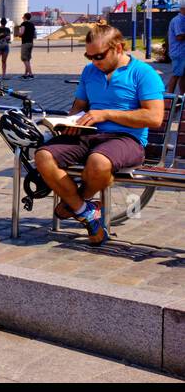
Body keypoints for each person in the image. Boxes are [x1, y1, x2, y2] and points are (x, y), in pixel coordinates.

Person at [34, 21, 164, 245]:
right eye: (89, 56)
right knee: (43, 156)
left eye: (99, 56)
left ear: (119, 48)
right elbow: (79, 106)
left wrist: (106, 114)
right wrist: (71, 122)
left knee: (99, 162)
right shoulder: (90, 71)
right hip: (88, 134)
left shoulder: (143, 73)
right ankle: (85, 211)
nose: (94, 62)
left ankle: (76, 202)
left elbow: (154, 117)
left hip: (126, 138)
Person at [167, 2, 185, 95]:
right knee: (176, 75)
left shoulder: (182, 19)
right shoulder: (179, 20)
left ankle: (182, 96)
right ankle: (169, 98)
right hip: (179, 52)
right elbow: (179, 36)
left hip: (182, 52)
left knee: (182, 76)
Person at [17, 12, 37, 80]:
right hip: (31, 43)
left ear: (25, 17)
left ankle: (31, 74)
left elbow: (22, 32)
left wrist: (18, 34)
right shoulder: (32, 24)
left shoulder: (23, 24)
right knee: (27, 59)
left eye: (23, 16)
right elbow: (34, 35)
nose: (22, 17)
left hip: (25, 43)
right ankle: (26, 74)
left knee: (24, 58)